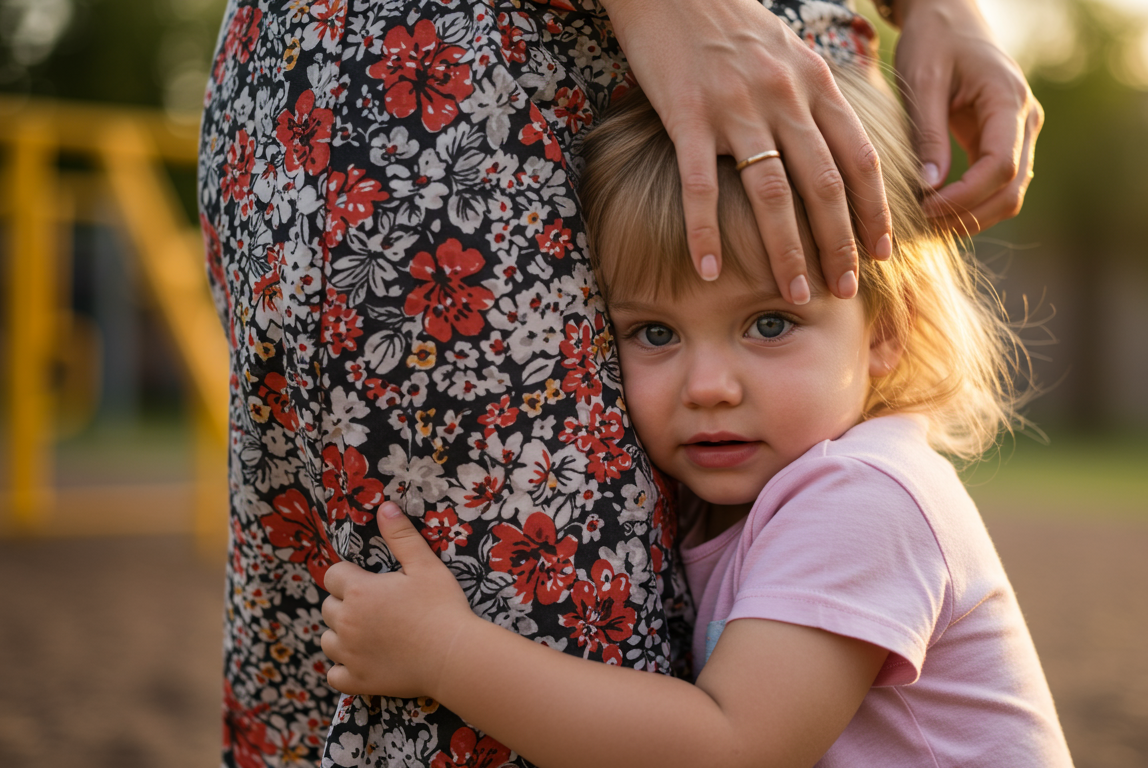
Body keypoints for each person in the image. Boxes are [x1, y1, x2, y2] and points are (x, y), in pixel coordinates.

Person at [199, 0, 1042, 764]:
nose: (708, 385)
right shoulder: (771, 487)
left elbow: (729, 748)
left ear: (886, 330)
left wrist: (445, 652)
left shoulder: (868, 501)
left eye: (771, 324)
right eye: (654, 333)